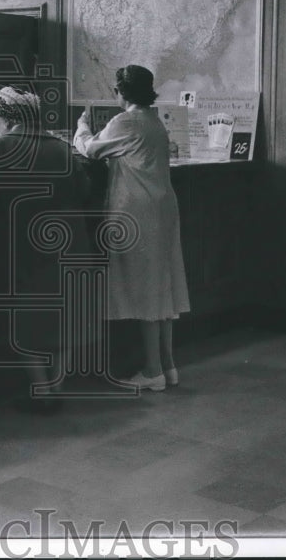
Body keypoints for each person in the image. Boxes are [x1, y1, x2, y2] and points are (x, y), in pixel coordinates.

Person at [0, 86, 90, 413]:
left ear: (7, 119)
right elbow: (84, 186)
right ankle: (57, 385)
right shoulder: (60, 148)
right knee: (64, 318)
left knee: (27, 318)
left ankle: (42, 390)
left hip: (27, 244)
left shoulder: (3, 147)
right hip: (70, 241)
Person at [73, 65, 190, 392]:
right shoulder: (152, 120)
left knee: (144, 288)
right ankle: (168, 366)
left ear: (121, 92)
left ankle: (152, 371)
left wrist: (82, 127)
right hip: (162, 208)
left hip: (137, 212)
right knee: (161, 287)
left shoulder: (125, 120)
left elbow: (91, 149)